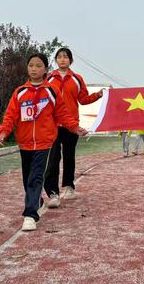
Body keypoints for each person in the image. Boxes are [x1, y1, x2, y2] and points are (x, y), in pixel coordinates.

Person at [0, 53, 87, 232]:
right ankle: (37, 201)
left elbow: (62, 114)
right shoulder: (20, 92)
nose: (34, 69)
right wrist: (4, 131)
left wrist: (75, 127)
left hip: (45, 143)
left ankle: (30, 215)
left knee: (36, 177)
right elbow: (11, 115)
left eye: (38, 66)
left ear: (45, 69)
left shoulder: (51, 91)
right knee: (27, 179)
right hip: (25, 143)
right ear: (27, 68)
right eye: (31, 65)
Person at [44, 48, 102, 208]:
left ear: (70, 61)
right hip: (53, 125)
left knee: (69, 156)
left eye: (65, 57)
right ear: (55, 60)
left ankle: (69, 187)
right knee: (53, 158)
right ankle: (52, 193)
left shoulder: (77, 79)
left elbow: (83, 99)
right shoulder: (48, 79)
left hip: (72, 125)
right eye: (59, 57)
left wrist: (97, 95)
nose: (62, 60)